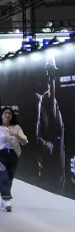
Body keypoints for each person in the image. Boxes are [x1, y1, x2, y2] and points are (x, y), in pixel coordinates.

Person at [0, 106, 28, 212]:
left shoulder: (16, 127)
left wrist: (16, 135)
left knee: (10, 177)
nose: (8, 115)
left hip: (13, 155)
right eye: (5, 113)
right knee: (3, 176)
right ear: (1, 115)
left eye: (10, 113)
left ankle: (4, 197)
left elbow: (24, 141)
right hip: (0, 155)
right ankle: (7, 199)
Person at [36, 58, 66, 187]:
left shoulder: (54, 100)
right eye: (49, 73)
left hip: (58, 151)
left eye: (52, 73)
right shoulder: (44, 100)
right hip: (49, 155)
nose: (51, 78)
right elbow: (38, 135)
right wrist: (48, 145)